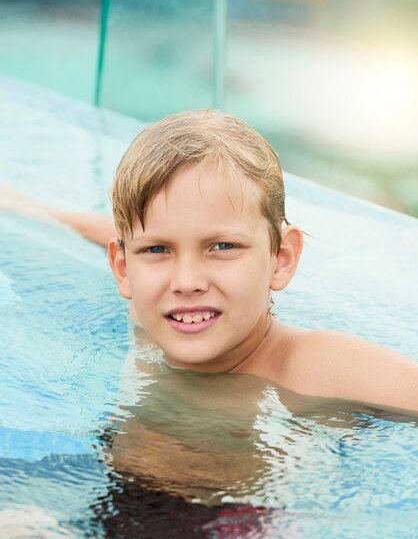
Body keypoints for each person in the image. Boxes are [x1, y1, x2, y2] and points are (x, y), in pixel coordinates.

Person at [1, 109, 417, 414]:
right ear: (123, 269)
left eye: (222, 247)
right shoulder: (149, 311)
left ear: (281, 258)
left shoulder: (317, 365)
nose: (186, 281)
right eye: (158, 250)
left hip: (248, 519)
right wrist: (35, 211)